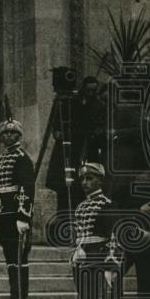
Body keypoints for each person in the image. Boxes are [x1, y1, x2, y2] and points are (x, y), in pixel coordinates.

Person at [71, 162, 123, 299]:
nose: (85, 182)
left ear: (100, 180)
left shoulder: (107, 204)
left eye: (90, 178)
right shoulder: (82, 206)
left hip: (99, 262)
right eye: (83, 179)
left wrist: (111, 268)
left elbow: (115, 238)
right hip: (82, 262)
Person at [0, 114, 35, 299]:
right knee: (10, 258)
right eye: (5, 133)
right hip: (3, 213)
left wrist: (24, 216)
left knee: (19, 258)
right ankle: (13, 298)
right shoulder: (0, 159)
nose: (8, 136)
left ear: (19, 136)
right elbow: (1, 186)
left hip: (17, 213)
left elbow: (27, 187)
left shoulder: (22, 158)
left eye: (12, 133)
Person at [45, 75, 106, 216]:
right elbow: (58, 121)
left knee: (83, 185)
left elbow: (99, 125)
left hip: (86, 148)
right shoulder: (70, 102)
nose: (91, 93)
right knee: (64, 186)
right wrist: (57, 131)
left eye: (94, 91)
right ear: (83, 88)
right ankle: (63, 217)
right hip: (68, 148)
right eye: (88, 90)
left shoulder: (97, 105)